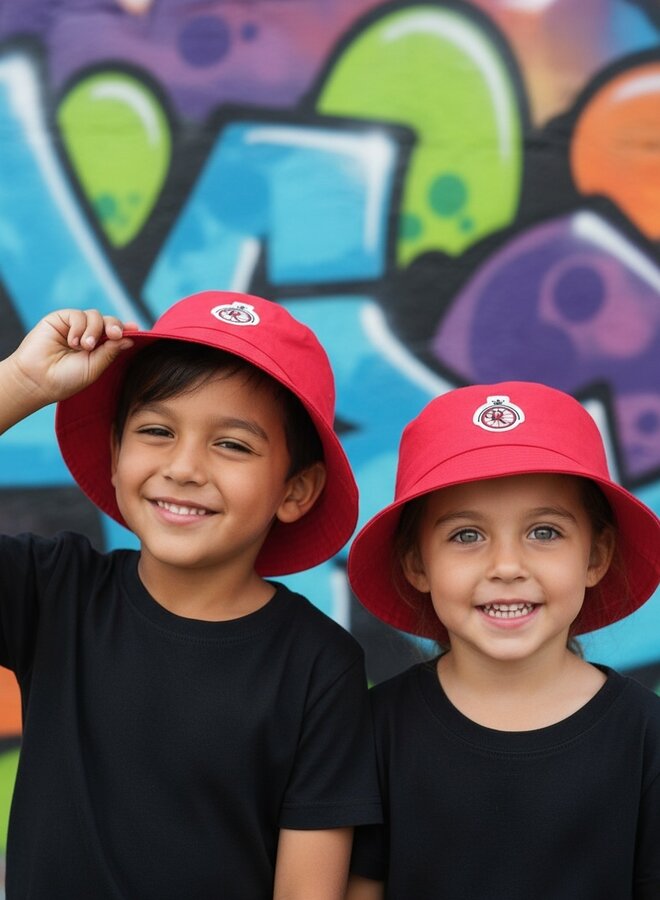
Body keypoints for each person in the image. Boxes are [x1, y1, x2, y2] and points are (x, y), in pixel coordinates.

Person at [0, 290, 381, 899]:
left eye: (232, 444)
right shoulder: (55, 591)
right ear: (115, 450)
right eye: (156, 430)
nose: (184, 467)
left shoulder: (320, 667)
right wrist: (19, 380)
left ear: (297, 490)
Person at [345, 381, 660, 900]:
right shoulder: (374, 733)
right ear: (418, 564)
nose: (508, 567)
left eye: (544, 532)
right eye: (467, 535)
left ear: (596, 557)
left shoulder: (646, 738)